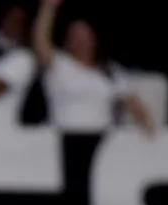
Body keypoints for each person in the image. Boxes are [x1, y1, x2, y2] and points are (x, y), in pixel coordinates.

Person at [33, 0, 155, 134]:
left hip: (102, 138)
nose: (80, 40)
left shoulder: (110, 71)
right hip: (64, 136)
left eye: (84, 35)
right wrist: (48, 7)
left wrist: (145, 122)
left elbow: (132, 102)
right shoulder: (58, 65)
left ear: (94, 40)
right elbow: (41, 41)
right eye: (75, 36)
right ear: (68, 41)